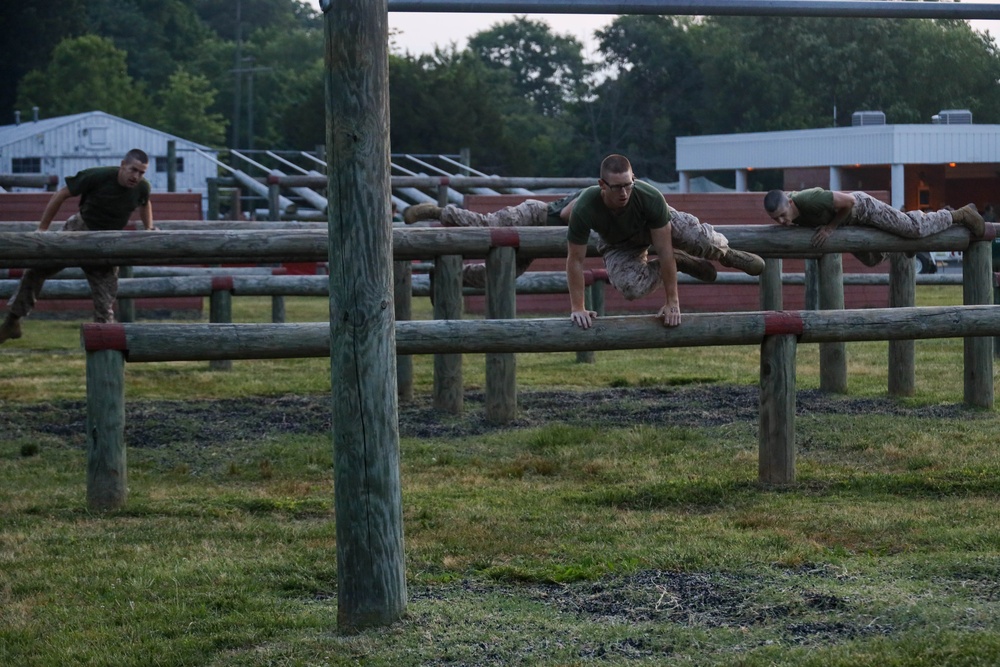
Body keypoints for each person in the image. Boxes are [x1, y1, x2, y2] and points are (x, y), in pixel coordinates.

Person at [404, 182, 764, 289]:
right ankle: (439, 214)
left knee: (688, 235)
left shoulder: (638, 199)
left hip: (559, 238)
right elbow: (565, 215)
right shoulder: (589, 199)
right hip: (535, 219)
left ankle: (720, 253)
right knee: (491, 243)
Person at [560, 154, 765, 330]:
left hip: (653, 225)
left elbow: (664, 250)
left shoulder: (649, 196)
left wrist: (672, 303)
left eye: (628, 185)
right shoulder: (586, 207)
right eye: (617, 188)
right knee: (631, 287)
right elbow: (575, 260)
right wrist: (578, 307)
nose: (623, 193)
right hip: (618, 243)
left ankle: (725, 253)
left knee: (699, 238)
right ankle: (682, 261)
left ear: (634, 179)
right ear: (602, 185)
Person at [0, 148, 156, 344]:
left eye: (141, 172)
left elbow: (145, 203)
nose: (136, 176)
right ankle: (12, 321)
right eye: (133, 170)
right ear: (122, 165)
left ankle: (104, 347)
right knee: (36, 270)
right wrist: (42, 229)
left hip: (106, 243)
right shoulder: (97, 176)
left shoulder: (142, 187)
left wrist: (149, 227)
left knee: (105, 300)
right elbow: (61, 194)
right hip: (78, 231)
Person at [762, 188, 985, 267]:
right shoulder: (788, 207)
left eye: (783, 216)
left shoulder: (810, 199)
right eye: (776, 220)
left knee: (914, 228)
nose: (782, 222)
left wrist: (830, 228)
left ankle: (959, 214)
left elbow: (848, 202)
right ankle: (907, 244)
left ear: (790, 204)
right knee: (872, 258)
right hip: (849, 223)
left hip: (863, 208)